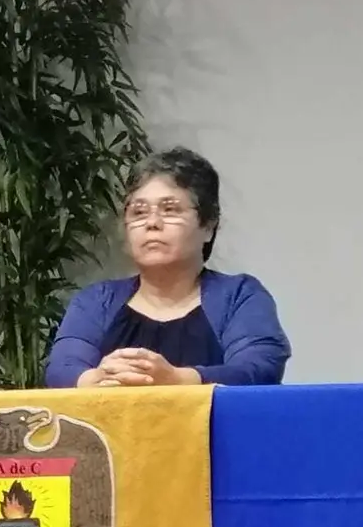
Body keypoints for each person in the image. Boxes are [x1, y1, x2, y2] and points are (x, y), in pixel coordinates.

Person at [45, 147, 290, 387]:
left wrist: (177, 380)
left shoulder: (239, 295)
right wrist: (99, 378)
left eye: (170, 209)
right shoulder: (97, 301)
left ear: (208, 226)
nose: (152, 223)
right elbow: (61, 370)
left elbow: (258, 369)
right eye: (139, 212)